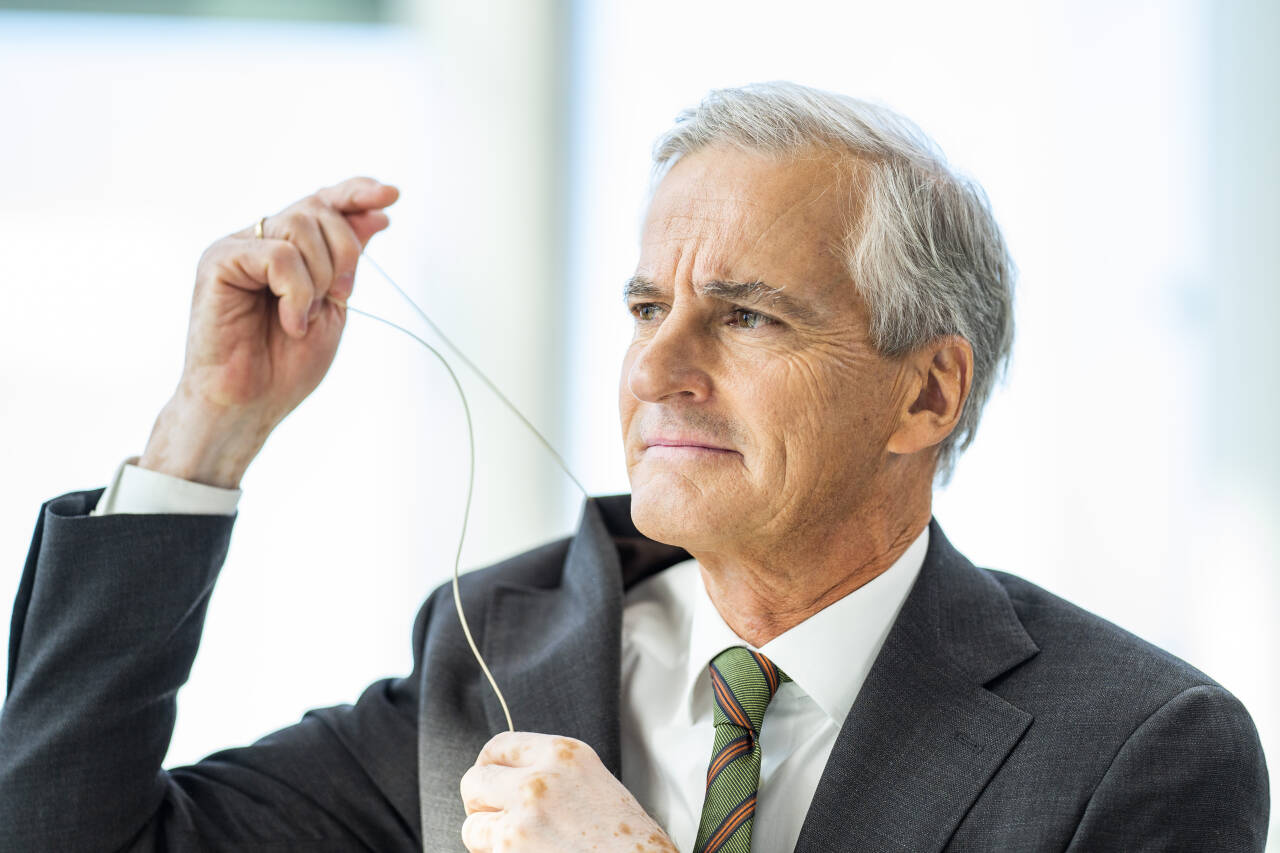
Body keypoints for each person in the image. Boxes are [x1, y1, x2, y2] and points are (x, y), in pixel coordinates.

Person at [0, 82, 1269, 852]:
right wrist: (204, 433)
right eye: (641, 305)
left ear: (924, 391)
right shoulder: (494, 653)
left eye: (747, 314)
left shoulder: (1140, 748)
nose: (655, 367)